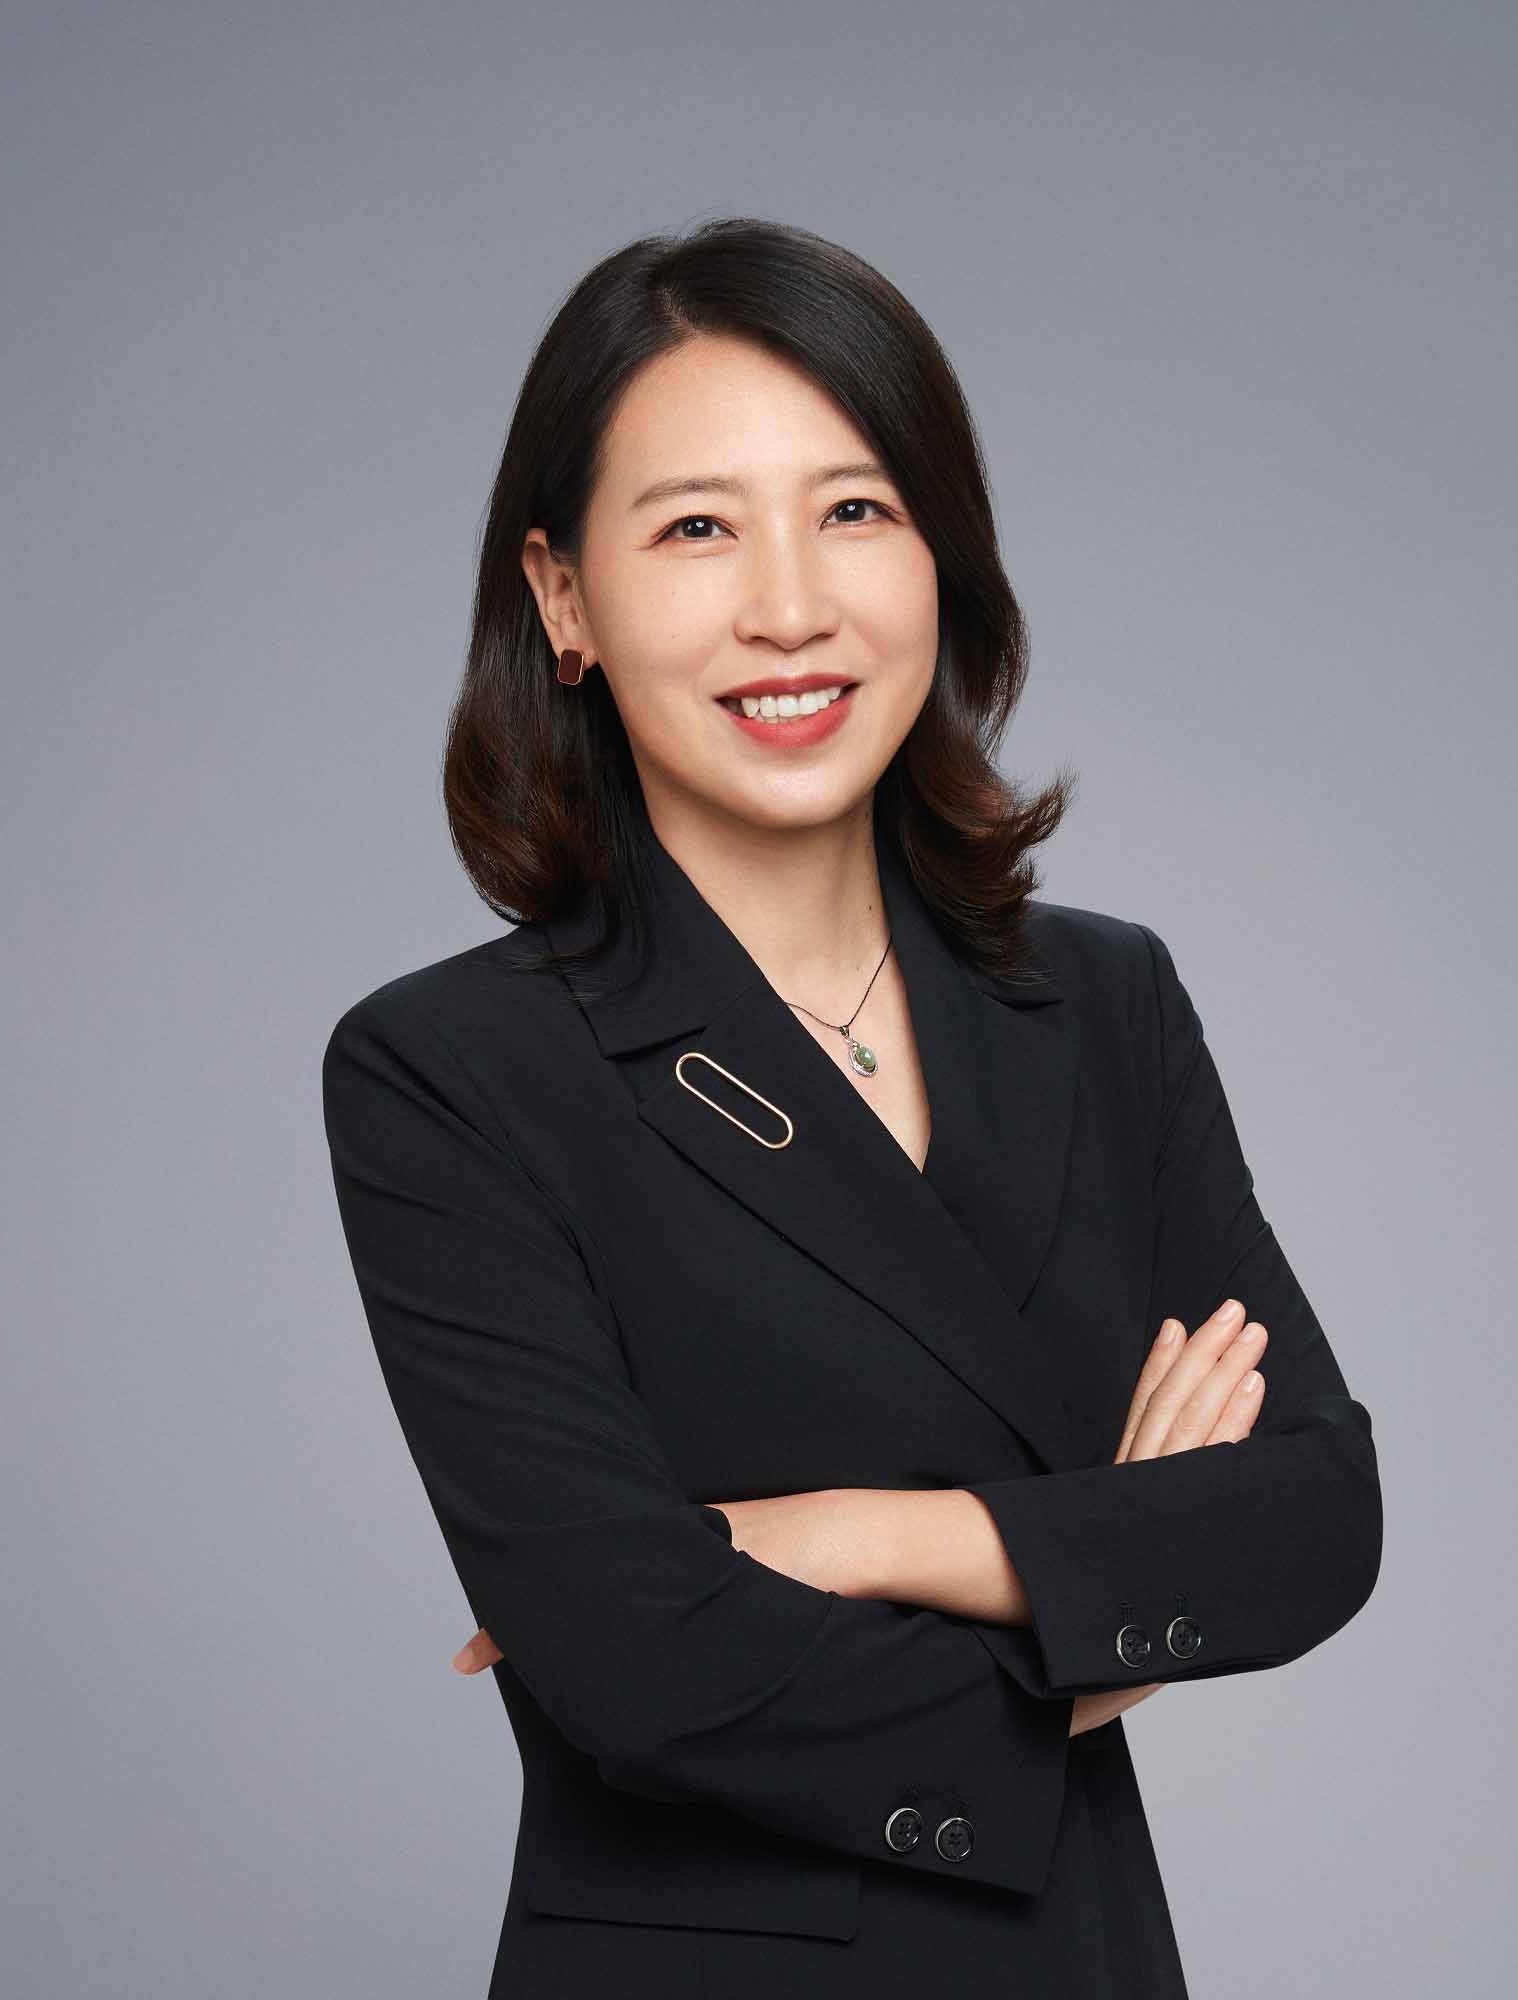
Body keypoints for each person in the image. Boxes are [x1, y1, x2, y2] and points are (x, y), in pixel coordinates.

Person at [320, 216, 1383, 2000]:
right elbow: (638, 1668)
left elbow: (1314, 1517)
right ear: (563, 600)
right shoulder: (453, 1070)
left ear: (941, 556)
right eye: (697, 529)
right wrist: (1101, 1606)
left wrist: (845, 1537)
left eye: (856, 510)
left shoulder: (1099, 1001)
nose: (791, 606)